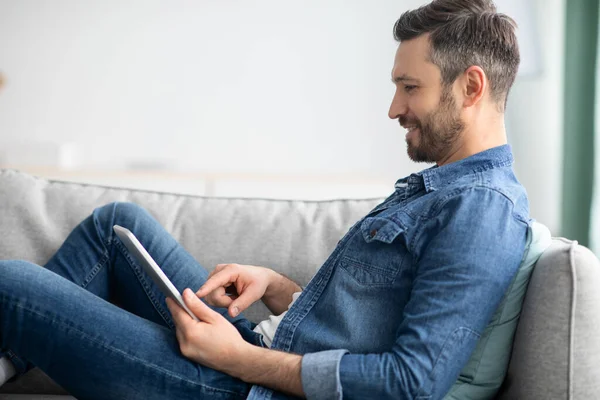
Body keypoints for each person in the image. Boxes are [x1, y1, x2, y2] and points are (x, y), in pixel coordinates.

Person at [0, 0, 528, 398]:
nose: (394, 108)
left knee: (11, 284)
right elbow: (366, 322)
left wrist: (238, 360)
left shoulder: (480, 211)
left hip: (251, 389)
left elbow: (411, 382)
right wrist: (277, 288)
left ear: (471, 86)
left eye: (409, 87)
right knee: (117, 225)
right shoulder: (446, 188)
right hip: (258, 360)